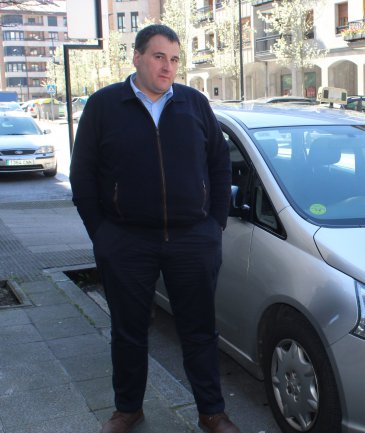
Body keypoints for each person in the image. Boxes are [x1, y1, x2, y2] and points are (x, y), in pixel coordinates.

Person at [70, 25, 240, 433]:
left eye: (175, 59)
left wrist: (214, 225)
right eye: (159, 56)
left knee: (200, 331)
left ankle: (212, 413)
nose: (168, 67)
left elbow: (220, 164)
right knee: (128, 332)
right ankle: (128, 409)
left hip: (192, 239)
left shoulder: (194, 104)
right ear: (137, 57)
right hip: (127, 240)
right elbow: (83, 174)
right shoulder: (104, 105)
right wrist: (102, 234)